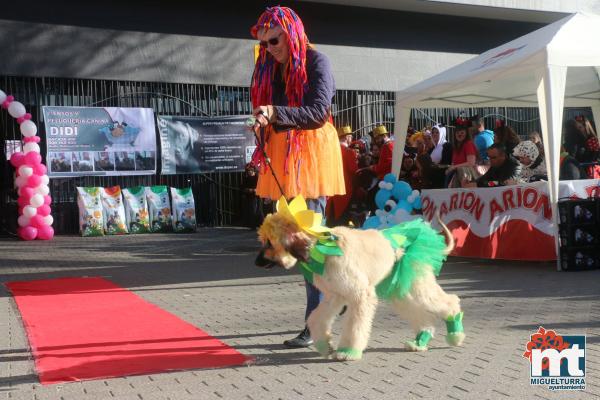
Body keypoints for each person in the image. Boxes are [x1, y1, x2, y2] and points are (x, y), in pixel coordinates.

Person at [249, 6, 345, 348]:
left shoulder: (318, 62)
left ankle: (316, 322)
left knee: (308, 242)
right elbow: (277, 112)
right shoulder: (273, 69)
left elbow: (318, 113)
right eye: (264, 44)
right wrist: (264, 119)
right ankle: (338, 294)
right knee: (304, 241)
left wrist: (276, 112)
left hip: (311, 159)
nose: (270, 48)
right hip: (284, 159)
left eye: (274, 40)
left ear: (291, 33)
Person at [326, 126, 358, 225]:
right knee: (342, 220)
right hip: (345, 189)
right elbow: (354, 170)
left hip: (331, 188)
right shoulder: (349, 152)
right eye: (350, 137)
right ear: (346, 137)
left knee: (331, 217)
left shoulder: (330, 150)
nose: (351, 139)